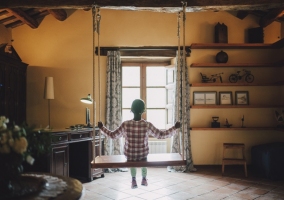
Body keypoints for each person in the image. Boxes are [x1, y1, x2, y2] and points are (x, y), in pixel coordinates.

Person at [98, 99, 181, 189]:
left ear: (132, 110)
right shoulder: (147, 125)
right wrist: (174, 128)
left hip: (130, 155)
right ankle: (144, 178)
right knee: (143, 157)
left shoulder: (126, 124)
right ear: (143, 111)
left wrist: (102, 127)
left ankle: (133, 180)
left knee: (132, 158)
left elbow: (113, 135)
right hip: (142, 155)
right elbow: (161, 134)